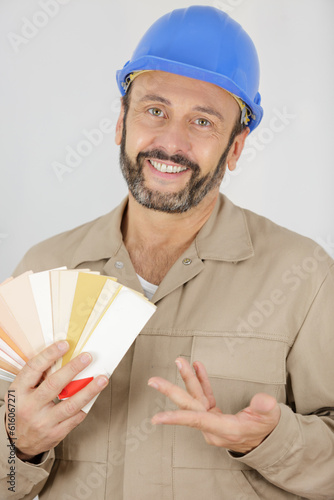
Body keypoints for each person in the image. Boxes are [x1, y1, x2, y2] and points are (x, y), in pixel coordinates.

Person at [0, 5, 333, 499]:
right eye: (155, 111)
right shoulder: (43, 269)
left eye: (203, 121)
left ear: (236, 148)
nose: (170, 142)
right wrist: (18, 447)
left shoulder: (304, 276)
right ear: (121, 121)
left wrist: (269, 441)